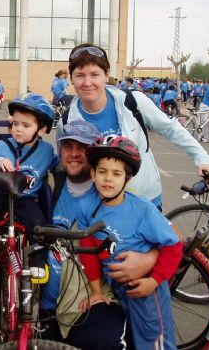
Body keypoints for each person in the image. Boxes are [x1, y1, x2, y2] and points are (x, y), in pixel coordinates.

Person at [58, 43, 209, 208]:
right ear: (71, 78)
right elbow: (67, 165)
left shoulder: (133, 102)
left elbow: (171, 129)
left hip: (145, 201)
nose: (87, 82)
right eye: (80, 75)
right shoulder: (67, 121)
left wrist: (201, 157)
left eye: (94, 74)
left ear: (106, 75)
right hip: (98, 207)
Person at [77, 136, 181, 349]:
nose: (108, 179)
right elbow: (88, 250)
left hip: (146, 287)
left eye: (116, 174)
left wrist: (154, 280)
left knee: (154, 343)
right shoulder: (87, 207)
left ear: (128, 179)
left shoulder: (142, 210)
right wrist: (96, 291)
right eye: (102, 171)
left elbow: (173, 246)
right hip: (116, 288)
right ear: (93, 174)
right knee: (132, 340)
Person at [0, 93, 57, 279]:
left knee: (39, 224)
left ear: (41, 130)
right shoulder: (3, 144)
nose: (18, 129)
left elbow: (57, 165)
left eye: (26, 125)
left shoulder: (46, 151)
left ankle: (37, 260)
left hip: (26, 198)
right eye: (15, 124)